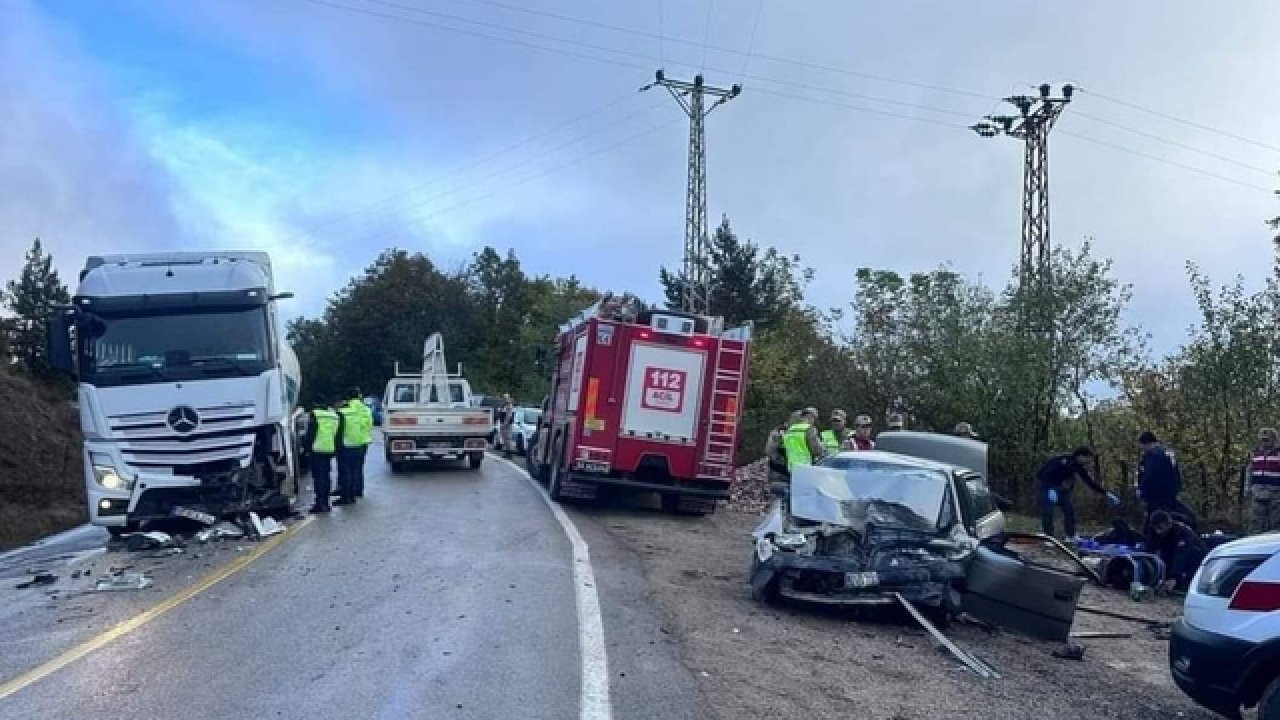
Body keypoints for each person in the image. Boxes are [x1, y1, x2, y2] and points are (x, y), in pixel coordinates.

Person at [1036, 447, 1120, 539]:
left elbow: (1089, 481)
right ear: (1080, 456)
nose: (1089, 462)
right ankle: (1048, 536)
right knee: (1047, 511)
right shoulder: (1062, 461)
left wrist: (1106, 493)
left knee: (1069, 510)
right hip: (1045, 486)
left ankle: (1070, 535)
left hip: (1059, 488)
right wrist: (1049, 489)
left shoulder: (1077, 466)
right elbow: (1045, 474)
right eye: (1088, 458)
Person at [1137, 431, 1196, 531]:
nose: (1143, 449)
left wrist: (1142, 490)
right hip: (1171, 494)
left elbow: (1150, 475)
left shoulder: (1153, 455)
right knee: (1174, 516)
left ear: (1147, 444)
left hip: (1156, 496)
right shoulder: (1169, 453)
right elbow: (1177, 474)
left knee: (1154, 521)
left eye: (1143, 446)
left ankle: (1151, 541)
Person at [1144, 510, 1207, 592]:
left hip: (1193, 556)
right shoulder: (1153, 531)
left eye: (1160, 528)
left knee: (1192, 554)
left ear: (1169, 524)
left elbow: (1181, 555)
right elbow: (1149, 550)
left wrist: (1174, 577)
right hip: (1171, 552)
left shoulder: (1182, 531)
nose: (1158, 532)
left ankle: (1186, 584)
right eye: (1155, 528)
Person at [303, 396, 341, 514]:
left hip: (317, 449)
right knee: (326, 476)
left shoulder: (315, 414)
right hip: (329, 449)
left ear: (315, 403)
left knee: (319, 478)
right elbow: (337, 433)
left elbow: (311, 433)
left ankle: (320, 503)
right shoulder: (333, 415)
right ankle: (326, 502)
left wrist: (306, 448)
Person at [1246, 428, 1280, 534]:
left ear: (1274, 440)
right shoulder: (1255, 453)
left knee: (1275, 524)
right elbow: (1249, 472)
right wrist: (1247, 489)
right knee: (1255, 523)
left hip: (1275, 494)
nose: (1264, 442)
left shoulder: (1278, 454)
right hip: (1257, 493)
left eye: (1267, 440)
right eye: (1263, 440)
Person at [335, 390, 365, 506]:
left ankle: (345, 497)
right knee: (353, 472)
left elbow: (339, 431)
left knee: (345, 473)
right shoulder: (357, 412)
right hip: (358, 445)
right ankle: (352, 496)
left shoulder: (341, 413)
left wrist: (336, 447)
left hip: (346, 446)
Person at [352, 388, 374, 497]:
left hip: (350, 441)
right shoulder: (366, 409)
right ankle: (359, 490)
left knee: (350, 468)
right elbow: (370, 424)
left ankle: (350, 490)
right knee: (359, 467)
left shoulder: (348, 408)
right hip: (363, 441)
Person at [499, 394, 515, 460]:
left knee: (508, 439)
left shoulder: (509, 406)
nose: (504, 399)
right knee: (505, 439)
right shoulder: (504, 406)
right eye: (503, 398)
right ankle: (507, 453)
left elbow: (508, 417)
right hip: (504, 424)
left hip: (507, 425)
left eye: (505, 398)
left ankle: (509, 454)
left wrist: (504, 425)